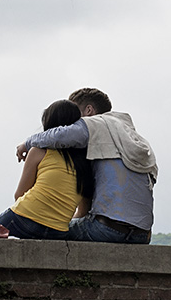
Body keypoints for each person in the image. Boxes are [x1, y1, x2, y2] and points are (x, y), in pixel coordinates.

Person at [15, 88, 157, 244]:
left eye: (76, 116)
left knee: (51, 229)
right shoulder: (131, 136)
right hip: (142, 235)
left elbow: (60, 135)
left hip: (106, 229)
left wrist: (26, 144)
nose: (72, 122)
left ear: (89, 110)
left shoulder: (95, 123)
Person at [0, 99, 93, 239]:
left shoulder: (38, 151)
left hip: (24, 217)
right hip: (58, 230)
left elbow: (19, 194)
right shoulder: (86, 162)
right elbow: (83, 210)